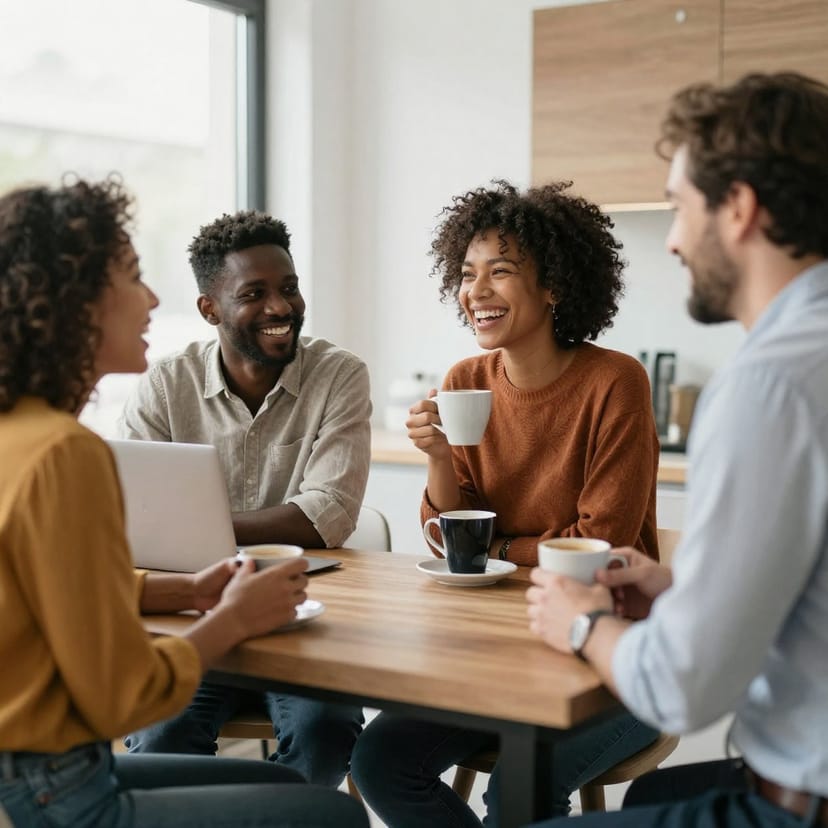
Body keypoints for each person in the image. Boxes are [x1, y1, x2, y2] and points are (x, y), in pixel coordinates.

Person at [0, 177, 369, 828]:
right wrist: (232, 618)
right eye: (133, 277)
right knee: (330, 818)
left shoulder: (20, 435)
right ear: (77, 303)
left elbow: (69, 589)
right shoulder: (66, 453)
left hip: (32, 770)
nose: (152, 298)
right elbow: (123, 696)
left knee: (283, 782)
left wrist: (185, 590)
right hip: (59, 790)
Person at [526, 71, 828, 828]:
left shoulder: (770, 384)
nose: (670, 239)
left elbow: (683, 689)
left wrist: (581, 623)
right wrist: (684, 593)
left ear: (739, 208)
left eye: (677, 207)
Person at [350, 179, 661, 826]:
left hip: (612, 656)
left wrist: (494, 548)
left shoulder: (614, 382)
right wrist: (437, 457)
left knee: (519, 787)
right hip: (493, 646)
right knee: (378, 759)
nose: (476, 291)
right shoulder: (465, 381)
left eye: (501, 272)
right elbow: (445, 538)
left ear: (554, 287)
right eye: (467, 274)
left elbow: (597, 544)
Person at [119, 210, 370, 787]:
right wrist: (223, 536)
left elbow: (327, 514)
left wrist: (202, 534)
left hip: (304, 619)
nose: (281, 308)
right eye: (254, 294)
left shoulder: (339, 375)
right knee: (159, 737)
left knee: (325, 730)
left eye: (288, 288)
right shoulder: (166, 385)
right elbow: (130, 519)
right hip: (193, 613)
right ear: (210, 309)